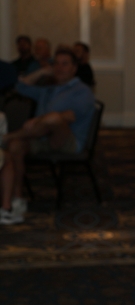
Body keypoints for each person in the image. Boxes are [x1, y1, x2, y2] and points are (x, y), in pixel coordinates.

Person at [1, 48, 95, 225]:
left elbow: (68, 117)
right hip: (42, 139)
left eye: (65, 64)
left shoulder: (82, 91)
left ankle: (4, 137)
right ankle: (18, 198)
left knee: (53, 119)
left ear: (74, 68)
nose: (59, 68)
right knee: (15, 146)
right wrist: (42, 72)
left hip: (68, 141)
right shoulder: (49, 89)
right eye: (56, 64)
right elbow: (19, 86)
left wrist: (39, 119)